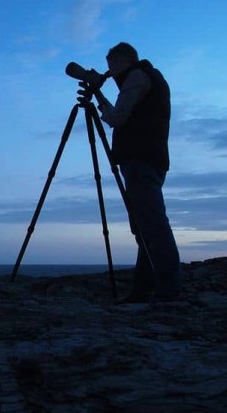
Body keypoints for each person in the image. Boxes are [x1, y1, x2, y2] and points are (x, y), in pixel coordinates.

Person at [78, 42, 181, 303]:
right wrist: (99, 94)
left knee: (152, 226)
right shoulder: (149, 77)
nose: (109, 72)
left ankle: (168, 290)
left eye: (111, 65)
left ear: (122, 60)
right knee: (145, 227)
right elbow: (125, 114)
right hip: (149, 159)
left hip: (140, 159)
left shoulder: (137, 76)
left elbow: (117, 118)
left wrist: (98, 96)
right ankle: (143, 290)